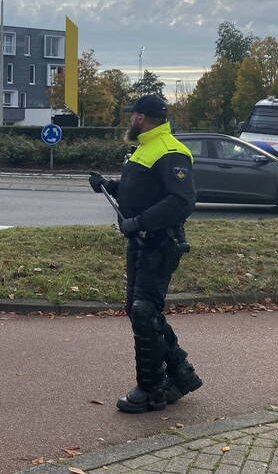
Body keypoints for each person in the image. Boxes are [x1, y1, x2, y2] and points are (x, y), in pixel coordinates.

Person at [87, 94, 201, 414]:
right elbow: (141, 191)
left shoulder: (170, 151)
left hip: (160, 243)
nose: (130, 119)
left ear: (141, 117)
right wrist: (108, 185)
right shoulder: (145, 148)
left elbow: (181, 201)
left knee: (143, 310)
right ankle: (181, 374)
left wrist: (138, 222)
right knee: (140, 311)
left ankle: (151, 390)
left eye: (133, 114)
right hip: (140, 242)